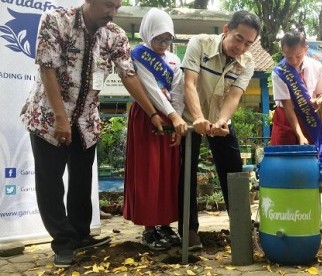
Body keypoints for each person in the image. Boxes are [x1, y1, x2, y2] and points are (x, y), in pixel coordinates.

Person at [20, 0, 174, 268]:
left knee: (81, 180)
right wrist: (60, 117)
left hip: (86, 122)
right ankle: (63, 242)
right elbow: (47, 69)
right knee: (51, 182)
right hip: (48, 116)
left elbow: (129, 75)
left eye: (117, 7)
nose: (112, 13)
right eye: (107, 5)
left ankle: (80, 234)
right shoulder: (56, 21)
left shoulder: (115, 34)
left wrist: (152, 113)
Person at [179, 10, 261, 250]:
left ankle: (242, 229)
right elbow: (189, 83)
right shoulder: (199, 44)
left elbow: (235, 95)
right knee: (185, 175)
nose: (241, 47)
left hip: (219, 122)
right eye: (238, 38)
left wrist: (222, 121)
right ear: (226, 29)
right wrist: (198, 118)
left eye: (248, 43)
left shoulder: (248, 62)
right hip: (190, 119)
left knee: (234, 172)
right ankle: (189, 231)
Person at [123, 8, 187, 252]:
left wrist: (178, 119)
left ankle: (165, 224)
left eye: (167, 39)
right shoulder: (138, 54)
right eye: (158, 38)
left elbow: (179, 92)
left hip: (172, 120)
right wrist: (170, 114)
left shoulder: (174, 59)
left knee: (169, 173)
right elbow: (149, 89)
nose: (163, 44)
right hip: (147, 116)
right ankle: (149, 228)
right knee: (149, 171)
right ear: (148, 34)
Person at [270, 30, 322, 173]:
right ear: (283, 51)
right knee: (283, 164)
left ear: (306, 48)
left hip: (308, 117)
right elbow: (287, 106)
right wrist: (300, 135)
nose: (293, 61)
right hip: (285, 118)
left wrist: (321, 99)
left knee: (309, 165)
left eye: (298, 56)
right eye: (288, 56)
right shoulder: (279, 72)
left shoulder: (316, 67)